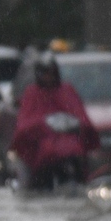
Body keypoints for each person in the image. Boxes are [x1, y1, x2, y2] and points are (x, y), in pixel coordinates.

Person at [8, 56, 97, 189]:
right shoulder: (32, 93)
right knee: (25, 182)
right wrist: (44, 125)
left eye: (51, 72)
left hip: (70, 148)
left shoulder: (66, 90)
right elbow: (24, 125)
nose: (48, 77)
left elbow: (81, 116)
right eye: (45, 73)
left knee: (88, 168)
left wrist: (73, 124)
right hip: (39, 149)